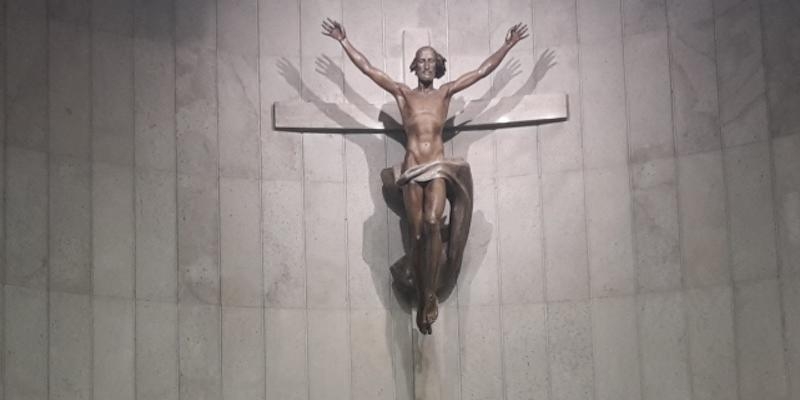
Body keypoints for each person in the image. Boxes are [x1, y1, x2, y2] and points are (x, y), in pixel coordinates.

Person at [322, 18, 528, 334]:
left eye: (431, 61)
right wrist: (343, 41)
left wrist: (508, 45)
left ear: (438, 65)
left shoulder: (445, 93)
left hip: (437, 167)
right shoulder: (403, 94)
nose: (427, 65)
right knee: (417, 234)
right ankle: (422, 294)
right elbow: (369, 70)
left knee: (433, 223)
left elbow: (480, 72)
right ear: (414, 67)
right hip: (412, 168)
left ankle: (430, 294)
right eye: (422, 61)